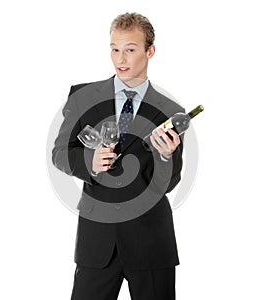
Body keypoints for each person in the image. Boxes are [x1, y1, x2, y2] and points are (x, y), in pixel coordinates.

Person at [52, 12, 185, 300]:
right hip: (97, 243)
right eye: (114, 49)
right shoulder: (83, 97)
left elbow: (171, 182)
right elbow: (60, 153)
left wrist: (166, 157)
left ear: (150, 51)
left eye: (130, 49)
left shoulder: (170, 112)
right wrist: (89, 162)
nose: (120, 59)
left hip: (151, 243)